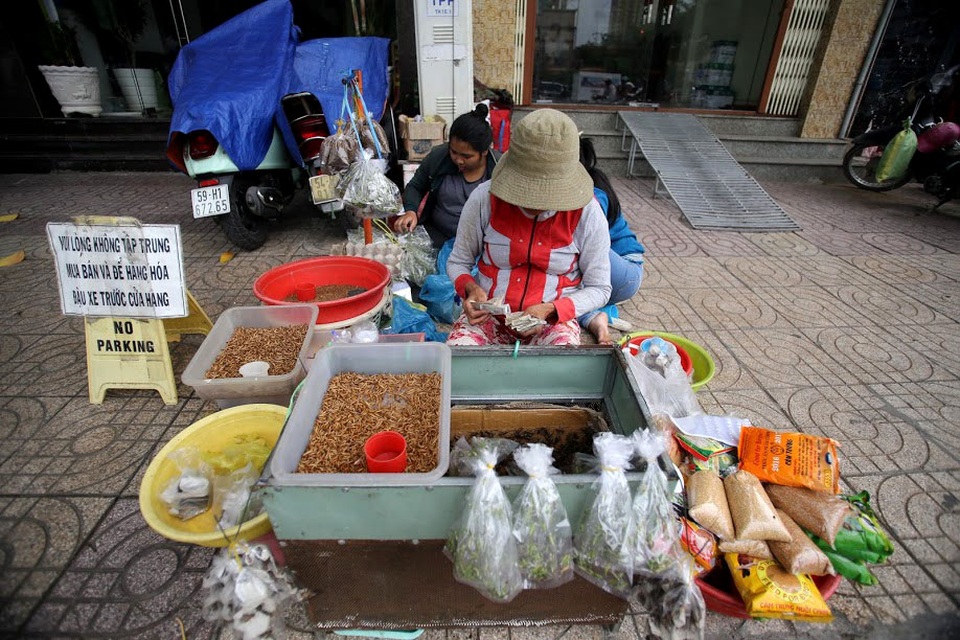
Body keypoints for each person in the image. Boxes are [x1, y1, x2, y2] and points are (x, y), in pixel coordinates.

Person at [445, 109, 611, 346]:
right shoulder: (484, 199)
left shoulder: (588, 213)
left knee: (561, 369)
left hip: (553, 322)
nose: (534, 203)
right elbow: (458, 261)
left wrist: (550, 309)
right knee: (458, 358)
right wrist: (470, 288)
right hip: (488, 317)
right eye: (526, 192)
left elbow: (600, 287)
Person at [393, 104, 498, 248]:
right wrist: (411, 211)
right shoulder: (438, 158)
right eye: (454, 152)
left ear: (484, 151)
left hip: (484, 242)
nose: (459, 160)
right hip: (438, 235)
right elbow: (415, 186)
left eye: (467, 156)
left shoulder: (499, 169)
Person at [578, 137, 646, 345]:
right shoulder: (591, 182)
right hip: (618, 271)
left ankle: (595, 308)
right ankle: (595, 316)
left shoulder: (591, 195)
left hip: (624, 271)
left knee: (575, 250)